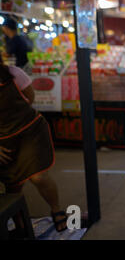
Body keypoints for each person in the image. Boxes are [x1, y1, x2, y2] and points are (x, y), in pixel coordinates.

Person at [0, 53, 67, 233]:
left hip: (30, 132)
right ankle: (20, 222)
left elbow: (30, 98)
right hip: (5, 142)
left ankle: (56, 210)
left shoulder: (14, 73)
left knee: (38, 177)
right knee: (13, 185)